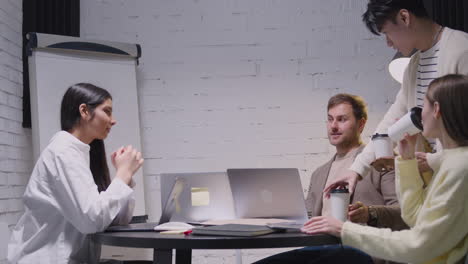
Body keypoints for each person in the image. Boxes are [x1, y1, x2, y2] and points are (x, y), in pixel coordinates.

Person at [302, 74, 468, 264]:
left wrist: (344, 229)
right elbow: (415, 217)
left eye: (423, 105)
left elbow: (419, 244)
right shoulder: (452, 163)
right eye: (330, 119)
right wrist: (406, 161)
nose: (419, 114)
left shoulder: (459, 168)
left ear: (436, 109)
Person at [325, 0, 468, 196]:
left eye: (387, 33)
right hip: (436, 188)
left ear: (404, 17)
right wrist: (356, 170)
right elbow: (393, 122)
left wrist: (434, 161)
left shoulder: (462, 49)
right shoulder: (413, 66)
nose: (388, 43)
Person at [254, 94, 406, 264]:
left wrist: (369, 213)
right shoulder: (319, 174)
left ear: (361, 124)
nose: (333, 126)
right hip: (323, 248)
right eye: (330, 119)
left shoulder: (381, 162)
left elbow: (405, 214)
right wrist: (277, 218)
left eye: (341, 119)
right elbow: (307, 219)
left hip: (363, 251)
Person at [7, 83, 144, 264]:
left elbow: (116, 220)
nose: (113, 120)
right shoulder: (63, 152)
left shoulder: (79, 153)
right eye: (107, 111)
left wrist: (125, 178)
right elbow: (91, 220)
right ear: (85, 111)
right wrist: (122, 174)